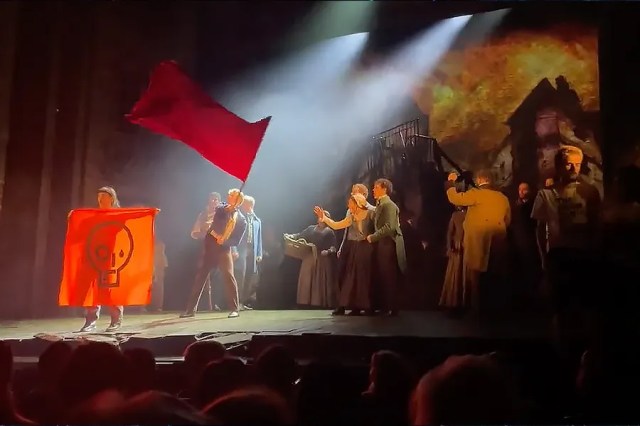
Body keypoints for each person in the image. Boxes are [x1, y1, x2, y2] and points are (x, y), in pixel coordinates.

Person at [531, 146, 601, 336]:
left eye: (577, 164)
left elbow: (595, 224)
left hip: (583, 252)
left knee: (585, 304)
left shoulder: (589, 192)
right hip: (559, 254)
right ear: (559, 166)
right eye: (569, 164)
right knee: (560, 305)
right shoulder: (546, 194)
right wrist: (544, 258)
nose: (573, 168)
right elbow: (539, 229)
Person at [445, 170, 511, 313]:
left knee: (477, 279)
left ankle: (478, 312)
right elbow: (507, 220)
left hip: (477, 243)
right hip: (498, 243)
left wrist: (450, 183)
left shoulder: (476, 194)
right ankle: (496, 311)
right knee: (495, 278)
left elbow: (455, 199)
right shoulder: (503, 198)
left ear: (480, 179)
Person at [181, 189, 247, 319]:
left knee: (228, 276)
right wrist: (228, 210)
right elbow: (219, 209)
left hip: (224, 249)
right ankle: (190, 310)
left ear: (237, 200)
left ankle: (234, 309)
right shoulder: (222, 208)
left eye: (232, 195)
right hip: (210, 247)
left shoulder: (241, 219)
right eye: (229, 195)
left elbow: (236, 240)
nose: (228, 196)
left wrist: (225, 241)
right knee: (201, 276)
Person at [315, 193, 375, 316]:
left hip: (367, 248)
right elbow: (337, 225)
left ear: (357, 204)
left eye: (351, 204)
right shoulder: (352, 217)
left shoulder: (370, 214)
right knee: (353, 277)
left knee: (365, 277)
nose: (349, 206)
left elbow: (378, 226)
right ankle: (356, 305)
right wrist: (324, 218)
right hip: (356, 248)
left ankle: (368, 306)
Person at [80, 186, 125, 332]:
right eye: (99, 197)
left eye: (104, 196)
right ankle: (90, 321)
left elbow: (127, 225)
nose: (100, 199)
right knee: (92, 289)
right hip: (95, 256)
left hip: (111, 256)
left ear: (111, 198)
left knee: (111, 288)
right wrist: (74, 217)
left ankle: (116, 320)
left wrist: (149, 213)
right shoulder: (94, 215)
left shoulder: (118, 215)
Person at [366, 178, 406, 316]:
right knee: (383, 275)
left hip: (388, 243)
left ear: (384, 189)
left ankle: (391, 307)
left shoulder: (388, 205)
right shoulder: (381, 204)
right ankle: (386, 306)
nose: (373, 190)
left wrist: (373, 237)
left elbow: (389, 227)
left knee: (388, 276)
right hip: (383, 243)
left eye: (376, 187)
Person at [289, 213, 337, 308]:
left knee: (318, 280)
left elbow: (334, 247)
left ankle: (318, 302)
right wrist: (291, 236)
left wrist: (328, 251)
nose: (321, 220)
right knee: (307, 279)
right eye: (320, 217)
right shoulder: (311, 229)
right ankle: (305, 302)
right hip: (309, 257)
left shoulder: (329, 232)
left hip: (321, 259)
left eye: (323, 218)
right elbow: (300, 235)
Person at [190, 192, 221, 311]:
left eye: (216, 199)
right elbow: (195, 232)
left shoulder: (222, 214)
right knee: (204, 278)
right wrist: (206, 233)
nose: (214, 201)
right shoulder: (203, 215)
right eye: (212, 199)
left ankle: (216, 304)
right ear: (208, 201)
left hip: (220, 249)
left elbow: (228, 232)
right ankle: (204, 306)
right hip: (206, 249)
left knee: (218, 277)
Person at [232, 195, 262, 310]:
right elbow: (233, 234)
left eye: (244, 204)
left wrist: (259, 253)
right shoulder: (239, 217)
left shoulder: (257, 220)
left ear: (249, 205)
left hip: (252, 250)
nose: (241, 206)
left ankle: (243, 302)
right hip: (241, 249)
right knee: (240, 275)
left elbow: (259, 238)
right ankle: (236, 302)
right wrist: (234, 249)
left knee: (250, 275)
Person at [439, 206, 466, 312]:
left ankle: (461, 303)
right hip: (458, 248)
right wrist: (450, 246)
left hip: (465, 247)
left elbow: (450, 233)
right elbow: (450, 232)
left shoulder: (468, 215)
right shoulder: (456, 215)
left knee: (461, 275)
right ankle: (454, 302)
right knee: (456, 274)